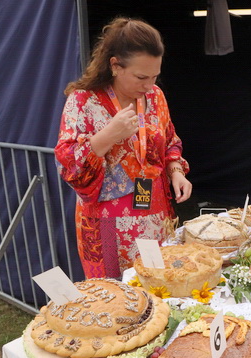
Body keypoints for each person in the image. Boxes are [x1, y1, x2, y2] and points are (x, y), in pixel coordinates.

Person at [55, 18, 192, 279]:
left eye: (154, 76)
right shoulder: (85, 101)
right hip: (107, 223)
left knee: (157, 283)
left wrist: (175, 170)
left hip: (154, 215)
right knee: (116, 291)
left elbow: (169, 140)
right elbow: (68, 164)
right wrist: (108, 135)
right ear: (115, 66)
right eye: (141, 77)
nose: (148, 85)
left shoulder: (155, 97)